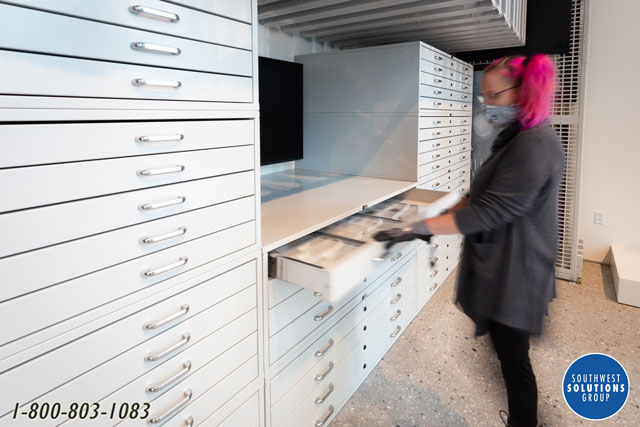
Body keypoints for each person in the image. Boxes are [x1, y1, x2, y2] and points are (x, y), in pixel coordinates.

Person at [374, 55, 564, 427]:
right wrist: (426, 219)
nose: (486, 105)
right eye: (484, 96)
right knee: (507, 354)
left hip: (518, 272)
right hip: (506, 267)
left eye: (493, 96)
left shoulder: (535, 144)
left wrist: (419, 230)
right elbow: (479, 198)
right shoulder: (517, 138)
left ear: (522, 92)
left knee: (514, 360)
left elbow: (487, 213)